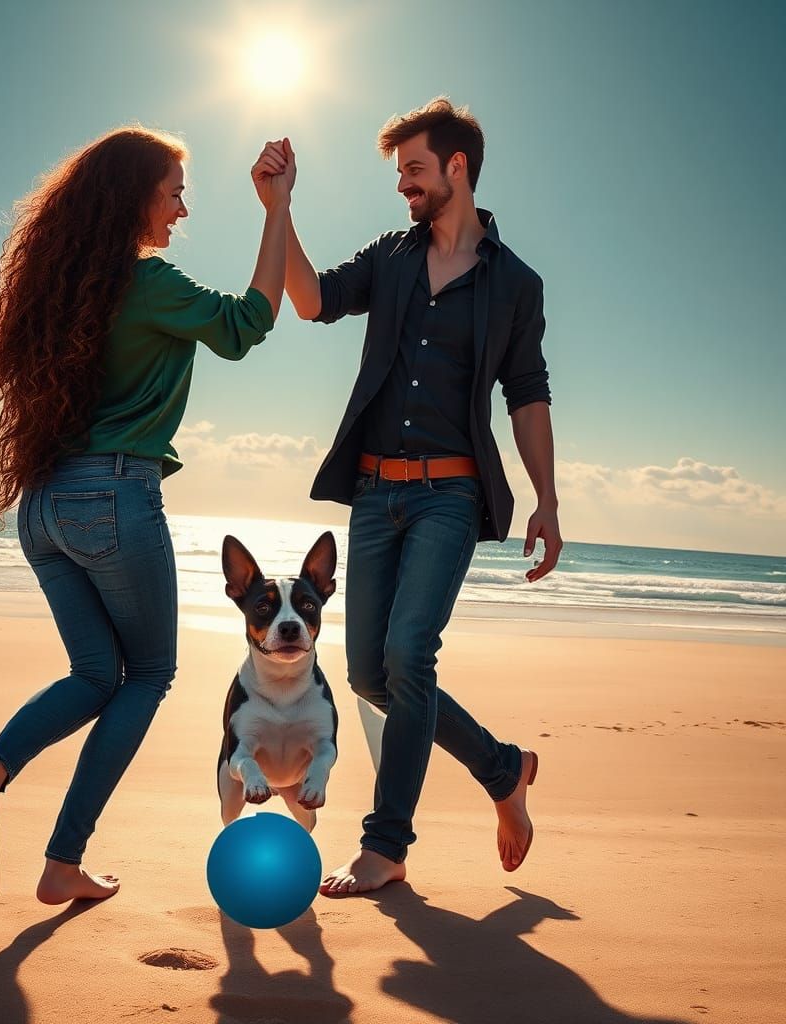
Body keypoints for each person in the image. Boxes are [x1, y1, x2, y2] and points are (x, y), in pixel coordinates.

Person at [0, 125, 294, 904]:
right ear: (134, 195)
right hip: (114, 497)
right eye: (174, 192)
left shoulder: (63, 288)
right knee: (148, 675)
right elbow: (247, 325)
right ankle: (61, 855)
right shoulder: (149, 282)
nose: (181, 210)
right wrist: (277, 210)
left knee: (96, 673)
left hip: (45, 507)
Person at [256, 98, 562, 896]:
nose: (405, 188)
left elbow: (527, 393)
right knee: (368, 674)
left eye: (416, 171)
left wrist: (547, 499)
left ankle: (386, 845)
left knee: (410, 655)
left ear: (457, 168)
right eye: (401, 176)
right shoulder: (392, 257)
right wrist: (280, 211)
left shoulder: (516, 285)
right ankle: (503, 771)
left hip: (451, 499)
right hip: (374, 495)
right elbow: (313, 299)